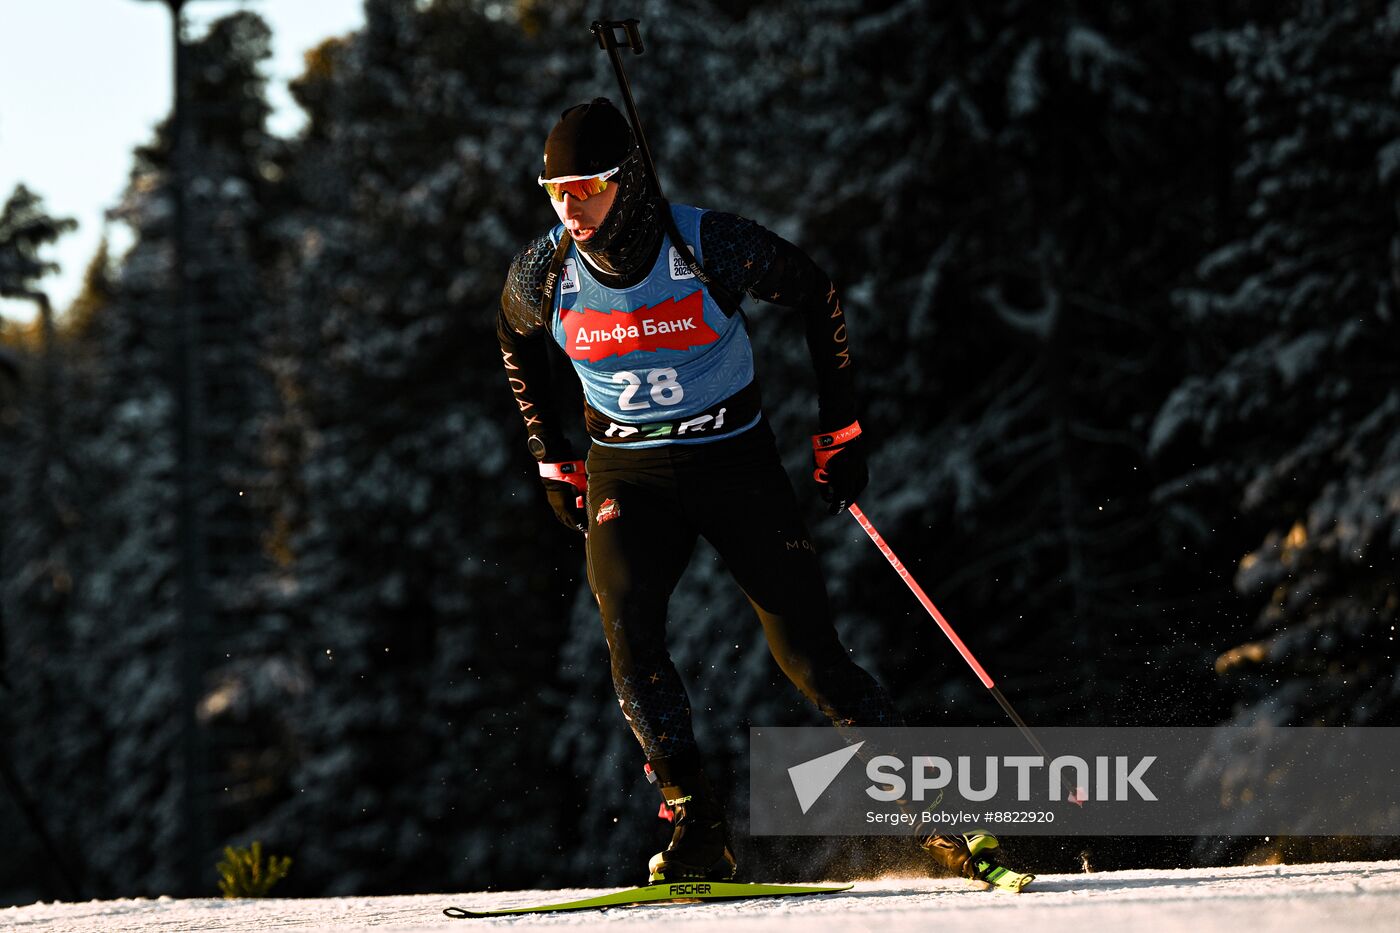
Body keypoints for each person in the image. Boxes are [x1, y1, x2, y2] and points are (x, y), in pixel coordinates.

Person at [497, 97, 1031, 891]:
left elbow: (818, 293)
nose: (571, 206)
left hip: (732, 462)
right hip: (628, 474)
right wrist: (549, 455)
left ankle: (942, 818)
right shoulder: (547, 270)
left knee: (811, 658)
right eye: (556, 190)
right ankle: (696, 824)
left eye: (589, 186)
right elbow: (511, 336)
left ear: (630, 179)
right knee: (630, 635)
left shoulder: (705, 241)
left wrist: (840, 428)